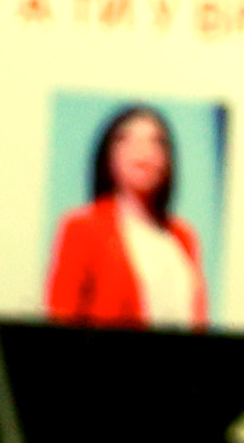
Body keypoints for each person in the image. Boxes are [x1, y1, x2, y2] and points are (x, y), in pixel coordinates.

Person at [43, 106, 202, 328]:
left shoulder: (182, 236)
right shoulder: (83, 227)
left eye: (156, 142)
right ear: (109, 154)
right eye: (126, 140)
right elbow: (60, 316)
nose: (144, 151)